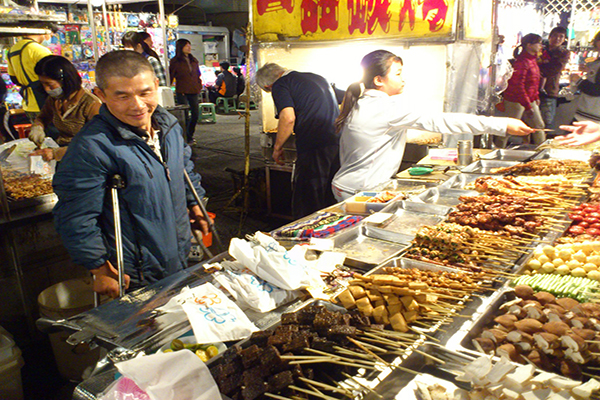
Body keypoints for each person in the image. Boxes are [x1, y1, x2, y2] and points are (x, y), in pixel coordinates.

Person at [53, 51, 210, 298]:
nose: (138, 105)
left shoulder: (168, 125)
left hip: (178, 252)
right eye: (122, 96)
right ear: (101, 95)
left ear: (157, 86)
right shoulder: (92, 147)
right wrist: (98, 267)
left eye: (145, 93)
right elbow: (75, 216)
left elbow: (184, 168)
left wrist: (195, 203)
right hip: (133, 271)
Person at [331, 50, 534, 201]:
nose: (403, 79)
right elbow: (442, 121)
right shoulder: (385, 108)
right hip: (359, 190)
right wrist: (502, 124)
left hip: (348, 184)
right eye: (398, 74)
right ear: (378, 80)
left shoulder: (365, 102)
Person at [256, 62, 341, 218]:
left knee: (308, 196)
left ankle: (307, 235)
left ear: (268, 86)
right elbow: (345, 96)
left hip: (313, 143)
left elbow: (288, 118)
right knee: (331, 192)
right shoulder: (317, 78)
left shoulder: (281, 84)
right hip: (336, 141)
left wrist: (277, 147)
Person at [27, 55, 101, 161]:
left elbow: (96, 144)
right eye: (43, 84)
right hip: (63, 155)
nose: (46, 89)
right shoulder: (55, 99)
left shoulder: (91, 104)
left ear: (65, 81)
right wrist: (38, 126)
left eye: (50, 85)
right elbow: (43, 116)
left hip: (85, 158)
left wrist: (56, 153)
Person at [494, 33, 545, 148]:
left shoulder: (532, 60)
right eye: (538, 43)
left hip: (528, 99)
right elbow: (518, 85)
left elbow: (534, 82)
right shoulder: (522, 62)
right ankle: (497, 149)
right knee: (508, 129)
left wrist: (535, 97)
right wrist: (528, 105)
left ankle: (542, 151)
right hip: (516, 100)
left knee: (539, 126)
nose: (541, 46)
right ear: (529, 45)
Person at [7, 25, 57, 122]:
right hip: (46, 104)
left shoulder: (12, 50)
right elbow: (53, 76)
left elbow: (14, 79)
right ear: (45, 31)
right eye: (50, 34)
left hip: (28, 105)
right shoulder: (39, 50)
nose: (50, 37)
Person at [169, 39, 202, 143]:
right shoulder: (175, 61)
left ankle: (189, 134)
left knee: (195, 114)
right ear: (180, 47)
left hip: (194, 89)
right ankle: (184, 137)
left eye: (189, 45)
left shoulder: (193, 60)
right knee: (184, 115)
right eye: (186, 45)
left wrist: (199, 85)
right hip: (182, 90)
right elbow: (171, 75)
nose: (189, 47)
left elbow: (198, 74)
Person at [539, 27, 570, 130]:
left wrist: (537, 69)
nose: (558, 39)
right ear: (550, 36)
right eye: (555, 35)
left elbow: (554, 69)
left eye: (561, 36)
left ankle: (542, 143)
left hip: (549, 90)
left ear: (564, 39)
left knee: (546, 122)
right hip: (532, 90)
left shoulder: (563, 53)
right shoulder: (540, 49)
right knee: (530, 121)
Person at [570, 31, 600, 124]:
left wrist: (578, 80)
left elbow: (596, 90)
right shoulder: (597, 62)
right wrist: (589, 71)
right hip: (588, 112)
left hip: (591, 115)